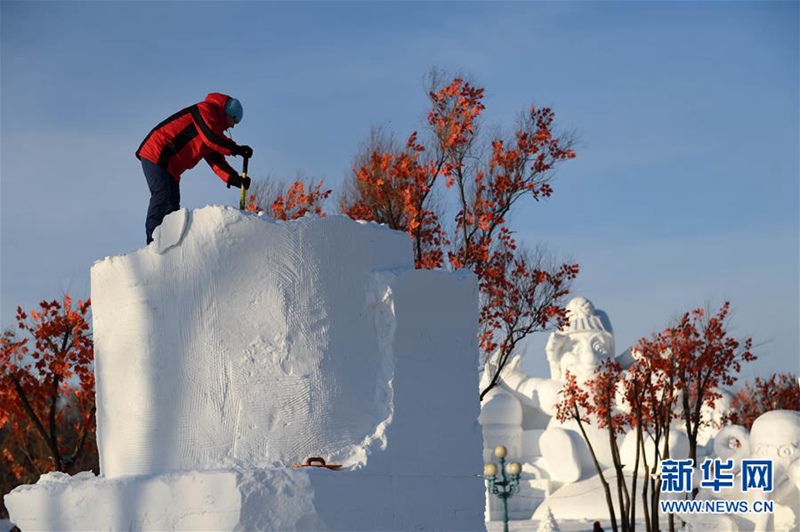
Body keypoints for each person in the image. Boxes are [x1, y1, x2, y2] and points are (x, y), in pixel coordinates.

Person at [136, 92, 254, 244]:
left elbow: (216, 159)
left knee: (173, 208)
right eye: (234, 120)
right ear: (227, 113)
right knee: (161, 194)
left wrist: (234, 178)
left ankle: (168, 245)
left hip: (172, 167)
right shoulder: (205, 110)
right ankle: (152, 242)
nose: (232, 125)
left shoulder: (213, 130)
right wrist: (235, 149)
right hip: (157, 152)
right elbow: (211, 137)